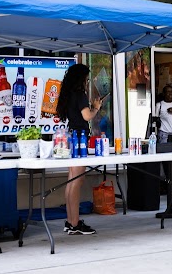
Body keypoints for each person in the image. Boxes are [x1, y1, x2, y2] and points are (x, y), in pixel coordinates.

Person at [56, 63, 102, 235]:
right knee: (77, 180)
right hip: (79, 138)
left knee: (72, 179)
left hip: (71, 136)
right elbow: (86, 116)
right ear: (81, 78)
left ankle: (70, 221)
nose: (87, 82)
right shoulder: (79, 93)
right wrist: (96, 107)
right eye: (87, 78)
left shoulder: (68, 94)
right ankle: (75, 223)